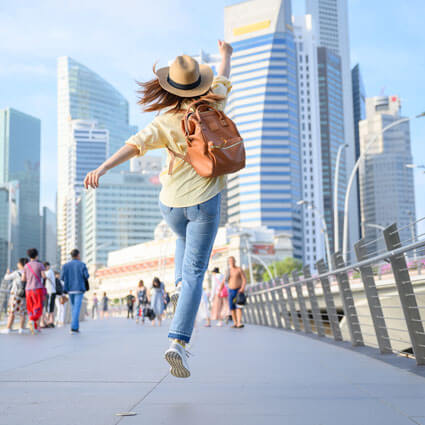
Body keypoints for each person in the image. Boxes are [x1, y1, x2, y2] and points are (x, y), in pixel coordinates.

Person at [84, 40, 233, 378]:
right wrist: (226, 55)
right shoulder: (215, 103)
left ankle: (178, 284)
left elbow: (132, 146)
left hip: (170, 205)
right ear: (201, 83)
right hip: (204, 202)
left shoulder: (164, 123)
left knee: (182, 238)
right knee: (197, 273)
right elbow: (224, 74)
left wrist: (103, 169)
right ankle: (177, 342)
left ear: (171, 88)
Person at [60, 249, 89, 334]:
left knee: (73, 308)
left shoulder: (65, 266)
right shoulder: (82, 265)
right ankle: (74, 327)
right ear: (78, 255)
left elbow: (62, 278)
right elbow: (86, 276)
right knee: (76, 308)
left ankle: (74, 326)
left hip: (69, 289)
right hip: (79, 289)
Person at [21, 248, 46, 334]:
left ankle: (35, 326)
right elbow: (44, 276)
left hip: (28, 289)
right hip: (37, 288)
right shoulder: (40, 265)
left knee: (30, 307)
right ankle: (32, 320)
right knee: (38, 307)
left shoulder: (26, 266)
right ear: (36, 255)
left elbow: (23, 279)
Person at [1, 258, 28, 334]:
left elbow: (6, 278)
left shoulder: (17, 273)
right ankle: (21, 328)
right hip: (24, 295)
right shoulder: (28, 273)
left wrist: (7, 273)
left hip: (15, 294)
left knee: (12, 311)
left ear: (20, 264)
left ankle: (8, 328)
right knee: (22, 312)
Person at [226, 256, 247, 329]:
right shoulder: (228, 271)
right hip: (230, 290)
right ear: (229, 262)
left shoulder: (239, 269)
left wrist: (242, 288)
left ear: (235, 261)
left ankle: (239, 322)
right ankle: (235, 322)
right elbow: (225, 280)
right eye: (230, 261)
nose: (231, 262)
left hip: (238, 290)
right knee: (232, 307)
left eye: (232, 260)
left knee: (239, 306)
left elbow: (244, 279)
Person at [42, 262, 56, 328]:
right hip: (51, 292)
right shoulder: (50, 272)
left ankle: (47, 322)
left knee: (48, 308)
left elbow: (44, 276)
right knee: (51, 308)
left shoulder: (49, 272)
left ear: (47, 266)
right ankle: (51, 322)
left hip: (50, 292)